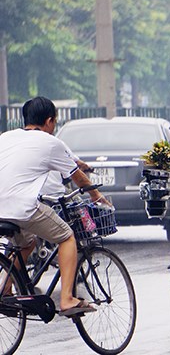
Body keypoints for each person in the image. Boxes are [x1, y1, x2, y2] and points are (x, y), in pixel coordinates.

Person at [0, 96, 109, 316]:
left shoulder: (6, 137)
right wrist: (98, 197)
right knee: (66, 236)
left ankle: (5, 289)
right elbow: (77, 177)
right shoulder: (50, 142)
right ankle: (67, 299)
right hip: (21, 206)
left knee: (26, 243)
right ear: (50, 121)